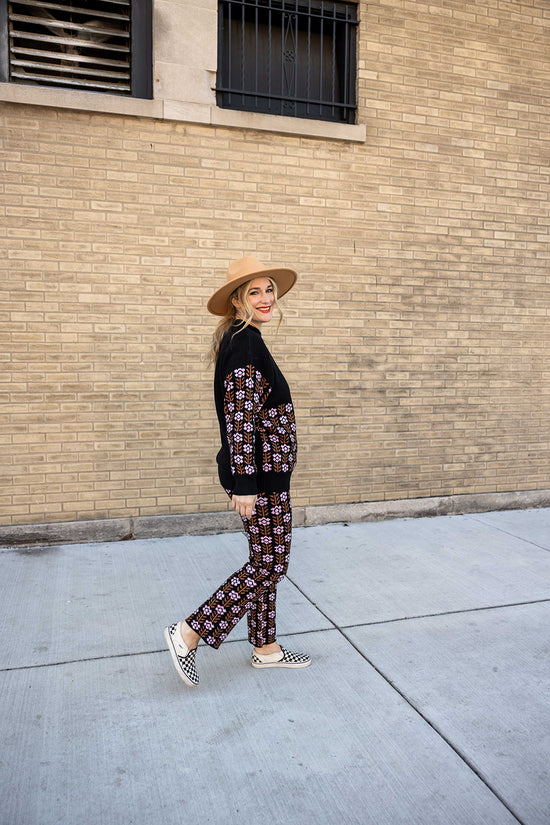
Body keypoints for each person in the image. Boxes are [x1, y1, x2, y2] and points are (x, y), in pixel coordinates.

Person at [164, 256, 311, 687]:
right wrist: (246, 484)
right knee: (270, 565)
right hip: (260, 479)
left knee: (264, 561)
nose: (266, 298)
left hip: (265, 475)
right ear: (236, 300)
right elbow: (241, 418)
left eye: (269, 290)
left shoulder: (243, 339)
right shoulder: (245, 343)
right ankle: (189, 633)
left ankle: (266, 649)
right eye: (254, 292)